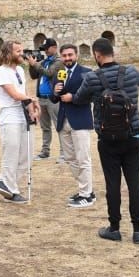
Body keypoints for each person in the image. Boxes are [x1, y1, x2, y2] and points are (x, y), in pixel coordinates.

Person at [71, 38, 139, 243]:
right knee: (135, 184)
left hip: (107, 139)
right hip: (133, 135)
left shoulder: (92, 77)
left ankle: (114, 228)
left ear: (97, 55)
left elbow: (79, 99)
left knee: (112, 184)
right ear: (112, 52)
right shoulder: (131, 71)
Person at [0, 41, 40, 204]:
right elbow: (14, 94)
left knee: (27, 154)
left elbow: (24, 92)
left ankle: (3, 182)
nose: (22, 53)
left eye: (22, 50)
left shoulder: (19, 69)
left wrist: (33, 109)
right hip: (9, 116)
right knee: (11, 153)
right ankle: (12, 190)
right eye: (18, 51)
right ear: (8, 53)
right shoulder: (2, 71)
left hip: (23, 114)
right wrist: (31, 99)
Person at [54, 44, 96, 208]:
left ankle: (87, 195)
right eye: (64, 55)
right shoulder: (59, 73)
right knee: (70, 159)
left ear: (76, 55)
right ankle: (85, 190)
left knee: (83, 158)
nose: (67, 58)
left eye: (70, 55)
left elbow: (91, 96)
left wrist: (74, 98)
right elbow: (53, 98)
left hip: (80, 121)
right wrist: (55, 91)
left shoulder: (86, 72)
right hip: (63, 121)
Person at [26, 38, 63, 161]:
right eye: (44, 48)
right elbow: (34, 75)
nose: (45, 50)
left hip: (53, 99)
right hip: (41, 98)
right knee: (45, 127)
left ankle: (64, 153)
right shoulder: (44, 61)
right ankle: (45, 152)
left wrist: (36, 64)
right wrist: (32, 65)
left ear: (54, 47)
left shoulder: (59, 61)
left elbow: (49, 73)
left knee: (59, 126)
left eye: (47, 48)